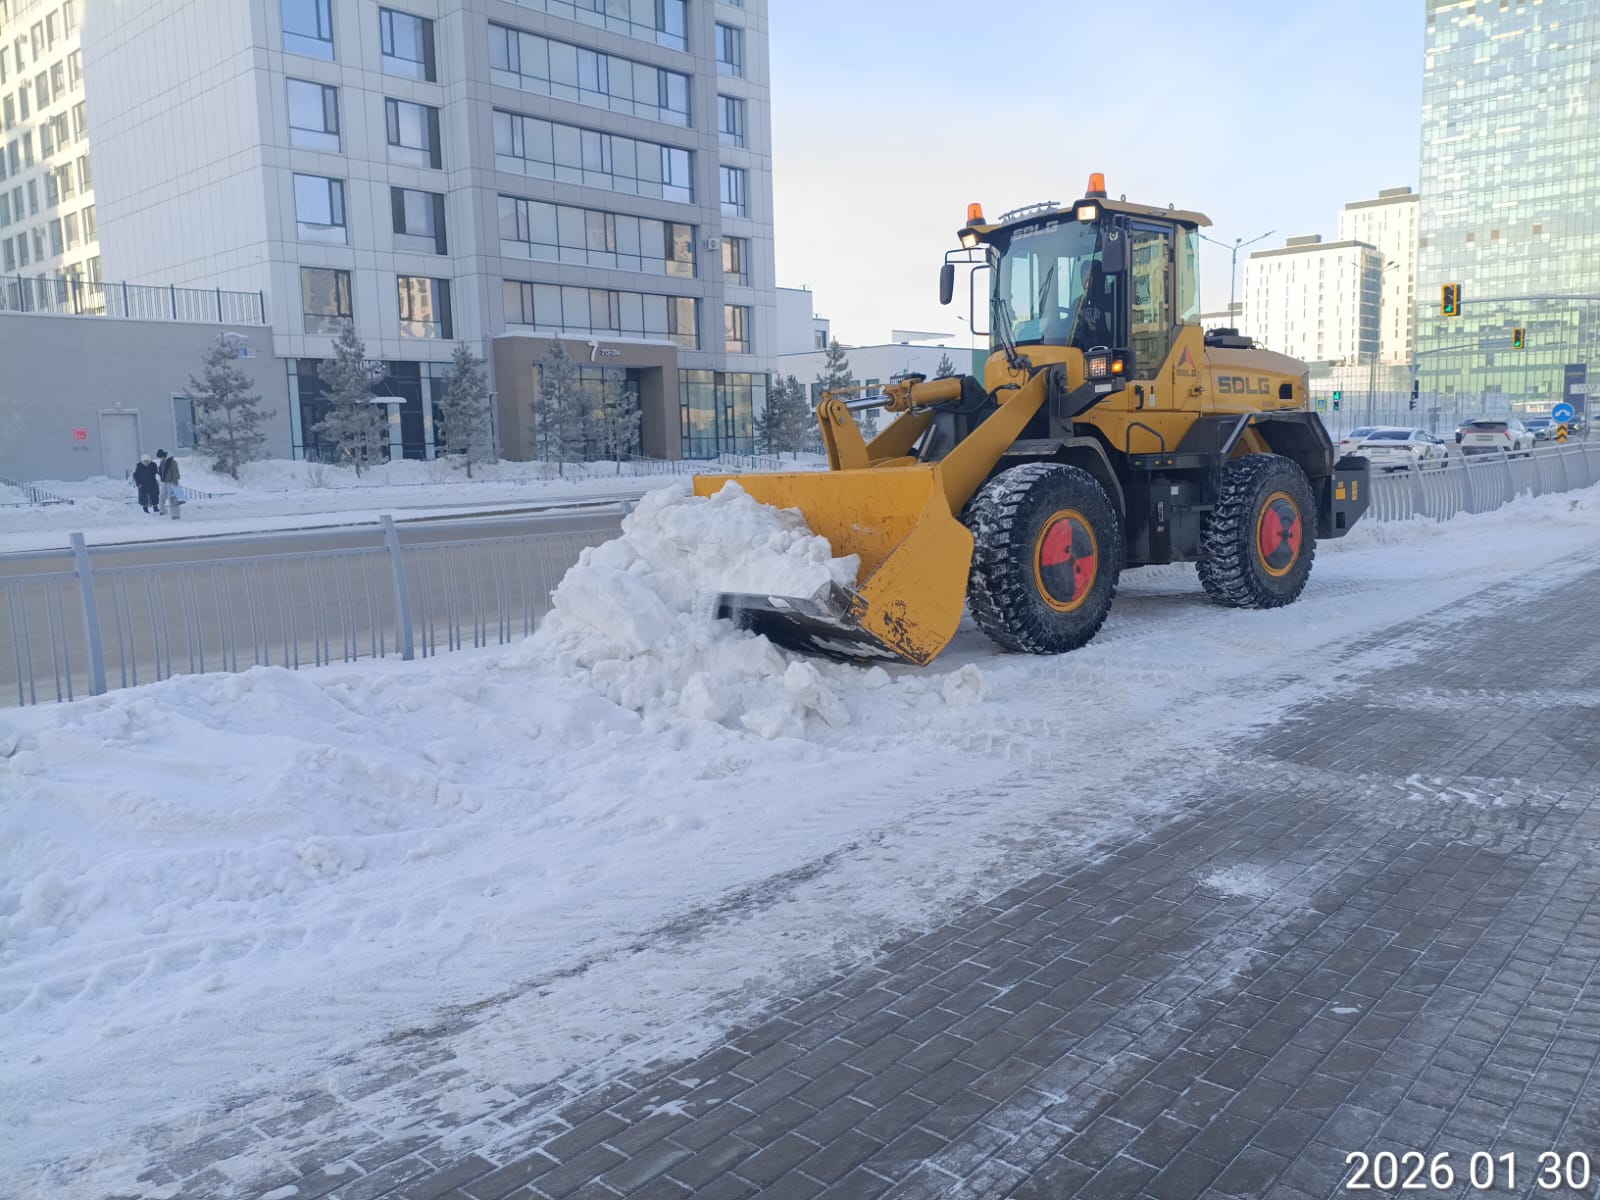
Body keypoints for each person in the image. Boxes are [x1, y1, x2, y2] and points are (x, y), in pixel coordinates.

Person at [156, 449, 183, 519]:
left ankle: (176, 514)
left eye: (161, 457)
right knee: (162, 496)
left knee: (172, 498)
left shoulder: (172, 462)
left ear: (164, 456)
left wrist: (175, 483)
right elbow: (162, 472)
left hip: (172, 481)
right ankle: (163, 510)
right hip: (165, 482)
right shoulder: (162, 462)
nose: (160, 459)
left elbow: (175, 472)